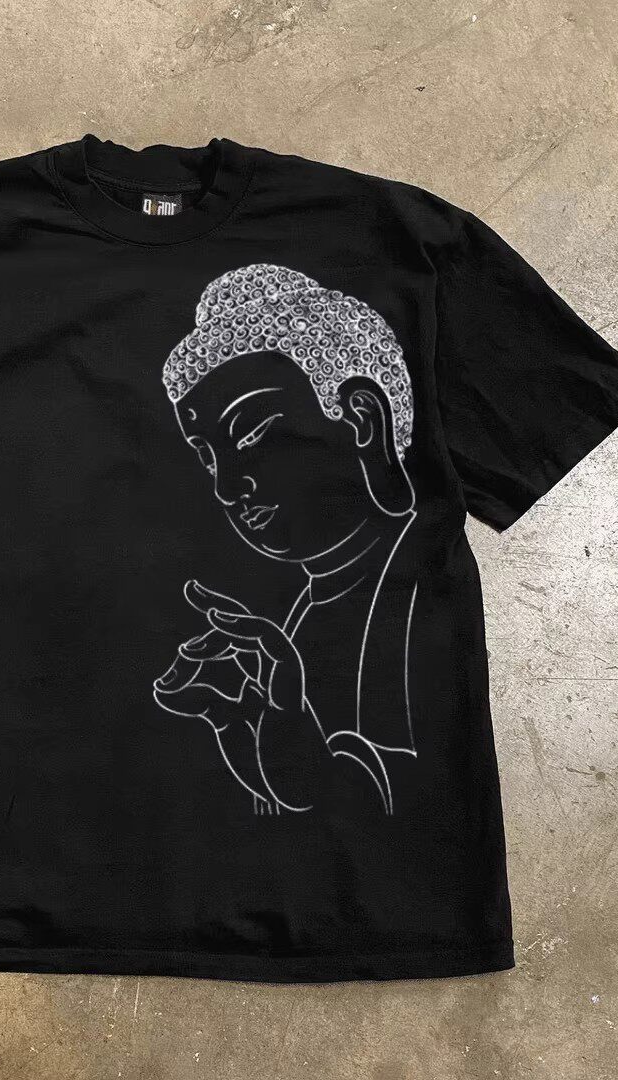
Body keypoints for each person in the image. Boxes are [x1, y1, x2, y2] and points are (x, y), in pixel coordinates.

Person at [152, 264, 419, 816]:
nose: (227, 488)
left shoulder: (415, 583)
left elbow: (418, 799)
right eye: (207, 457)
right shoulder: (305, 609)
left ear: (362, 420)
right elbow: (307, 802)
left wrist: (303, 756)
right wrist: (234, 725)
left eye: (251, 433)